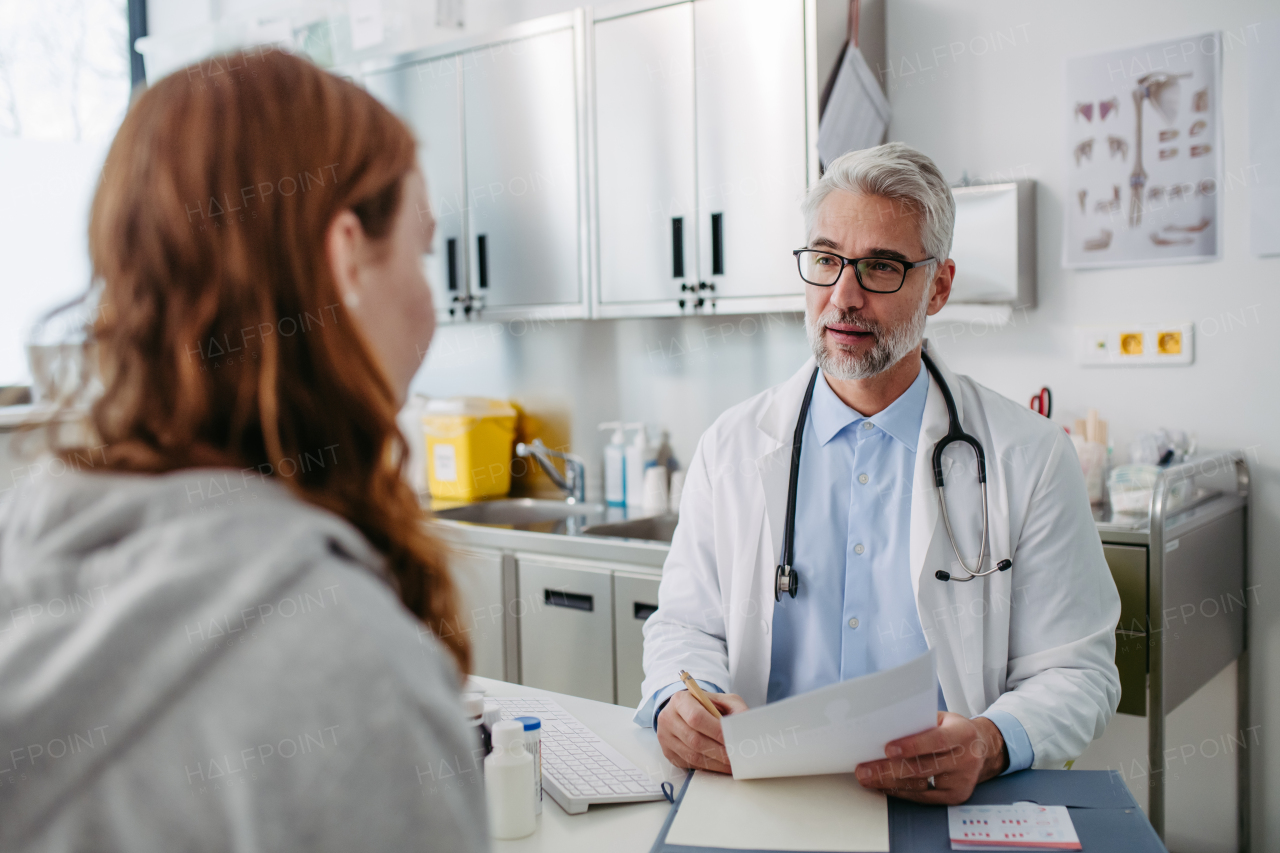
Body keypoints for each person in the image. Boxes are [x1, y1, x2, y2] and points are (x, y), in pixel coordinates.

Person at [0, 49, 488, 851]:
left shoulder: (27, 547)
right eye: (422, 249)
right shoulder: (351, 674)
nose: (429, 300)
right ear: (346, 257)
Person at [637, 143, 1122, 804]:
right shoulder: (731, 447)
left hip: (941, 803)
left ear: (940, 285)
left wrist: (989, 741)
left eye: (881, 267)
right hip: (760, 797)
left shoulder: (1028, 456)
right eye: (827, 259)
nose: (844, 296)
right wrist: (674, 699)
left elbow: (1077, 669)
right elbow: (684, 624)